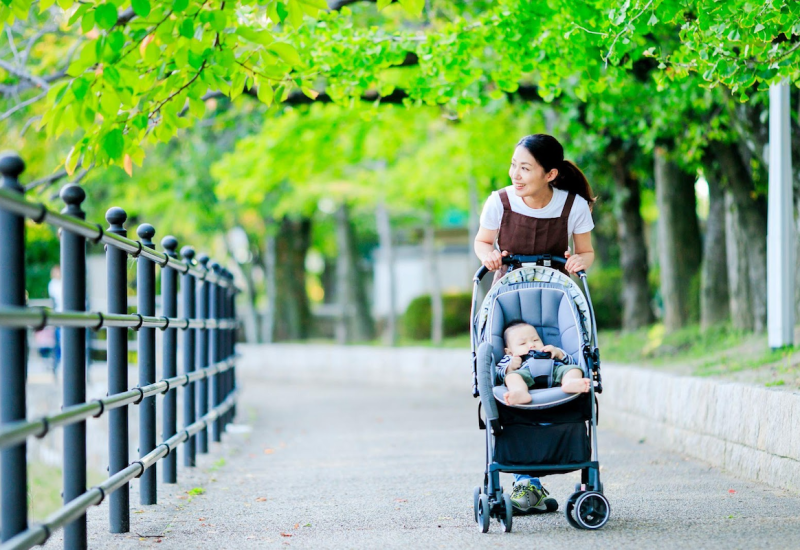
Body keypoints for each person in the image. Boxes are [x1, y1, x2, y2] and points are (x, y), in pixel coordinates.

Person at [473, 133, 596, 515]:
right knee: (515, 369)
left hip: (554, 294)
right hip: (510, 295)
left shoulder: (572, 206)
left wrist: (580, 262)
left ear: (551, 174)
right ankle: (528, 482)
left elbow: (586, 251)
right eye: (513, 165)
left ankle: (537, 482)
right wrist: (489, 255)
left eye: (525, 168)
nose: (515, 174)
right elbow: (482, 242)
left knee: (558, 362)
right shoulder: (500, 201)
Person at [496, 321, 590, 406]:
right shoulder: (510, 358)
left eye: (535, 340)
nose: (531, 345)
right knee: (511, 377)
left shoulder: (550, 350)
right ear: (509, 352)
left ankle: (570, 382)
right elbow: (497, 374)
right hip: (525, 374)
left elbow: (572, 362)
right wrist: (510, 368)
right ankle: (519, 391)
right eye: (522, 343)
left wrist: (559, 353)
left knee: (574, 369)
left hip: (554, 370)